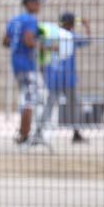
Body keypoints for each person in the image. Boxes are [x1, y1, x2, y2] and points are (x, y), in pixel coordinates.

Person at [34, 12, 91, 144]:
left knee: (50, 105)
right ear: (70, 24)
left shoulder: (52, 35)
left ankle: (38, 131)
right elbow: (88, 41)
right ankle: (76, 133)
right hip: (68, 78)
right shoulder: (71, 36)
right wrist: (87, 25)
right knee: (72, 106)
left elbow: (41, 52)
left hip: (53, 76)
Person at [3, 0, 42, 145]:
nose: (39, 6)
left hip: (16, 64)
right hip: (28, 65)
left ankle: (23, 132)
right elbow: (29, 40)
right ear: (30, 4)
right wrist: (42, 46)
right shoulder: (31, 20)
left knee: (26, 98)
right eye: (37, 3)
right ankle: (25, 135)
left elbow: (6, 41)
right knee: (30, 101)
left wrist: (16, 45)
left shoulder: (15, 20)